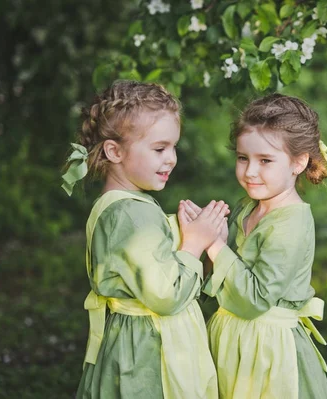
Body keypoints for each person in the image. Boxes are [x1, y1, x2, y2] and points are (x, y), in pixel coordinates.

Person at [62, 80, 224, 399]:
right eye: (159, 148)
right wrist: (193, 243)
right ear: (115, 151)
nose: (172, 158)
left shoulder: (119, 206)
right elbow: (165, 295)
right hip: (147, 358)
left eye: (173, 147)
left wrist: (200, 242)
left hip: (132, 344)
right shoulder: (132, 215)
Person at [184, 93, 327, 398]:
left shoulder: (291, 223)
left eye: (265, 160)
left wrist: (215, 244)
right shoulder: (250, 207)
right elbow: (220, 276)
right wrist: (199, 237)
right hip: (231, 338)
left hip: (268, 352)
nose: (250, 171)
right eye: (243, 158)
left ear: (299, 162)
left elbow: (255, 298)